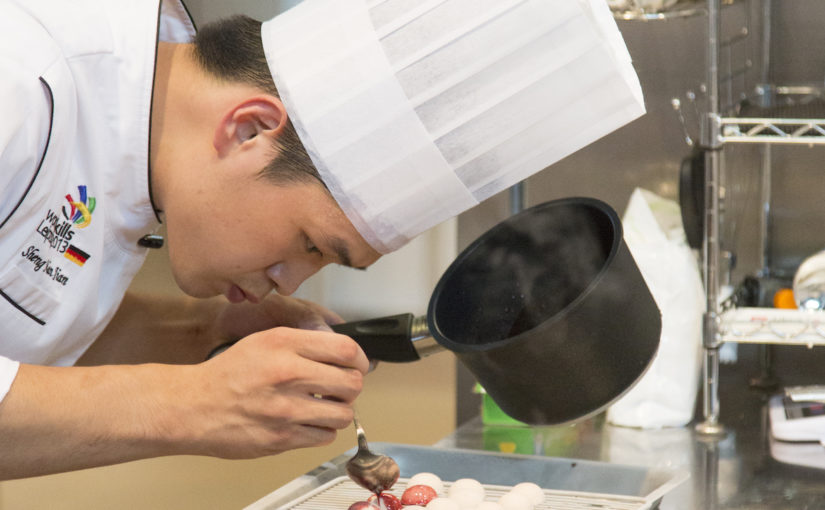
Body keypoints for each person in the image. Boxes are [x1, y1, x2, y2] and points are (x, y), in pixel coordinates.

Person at [0, 0, 644, 481]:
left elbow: (26, 314)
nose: (288, 281)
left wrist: (204, 333)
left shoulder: (145, 134)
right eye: (310, 244)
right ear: (249, 129)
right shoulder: (19, 78)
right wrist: (189, 403)